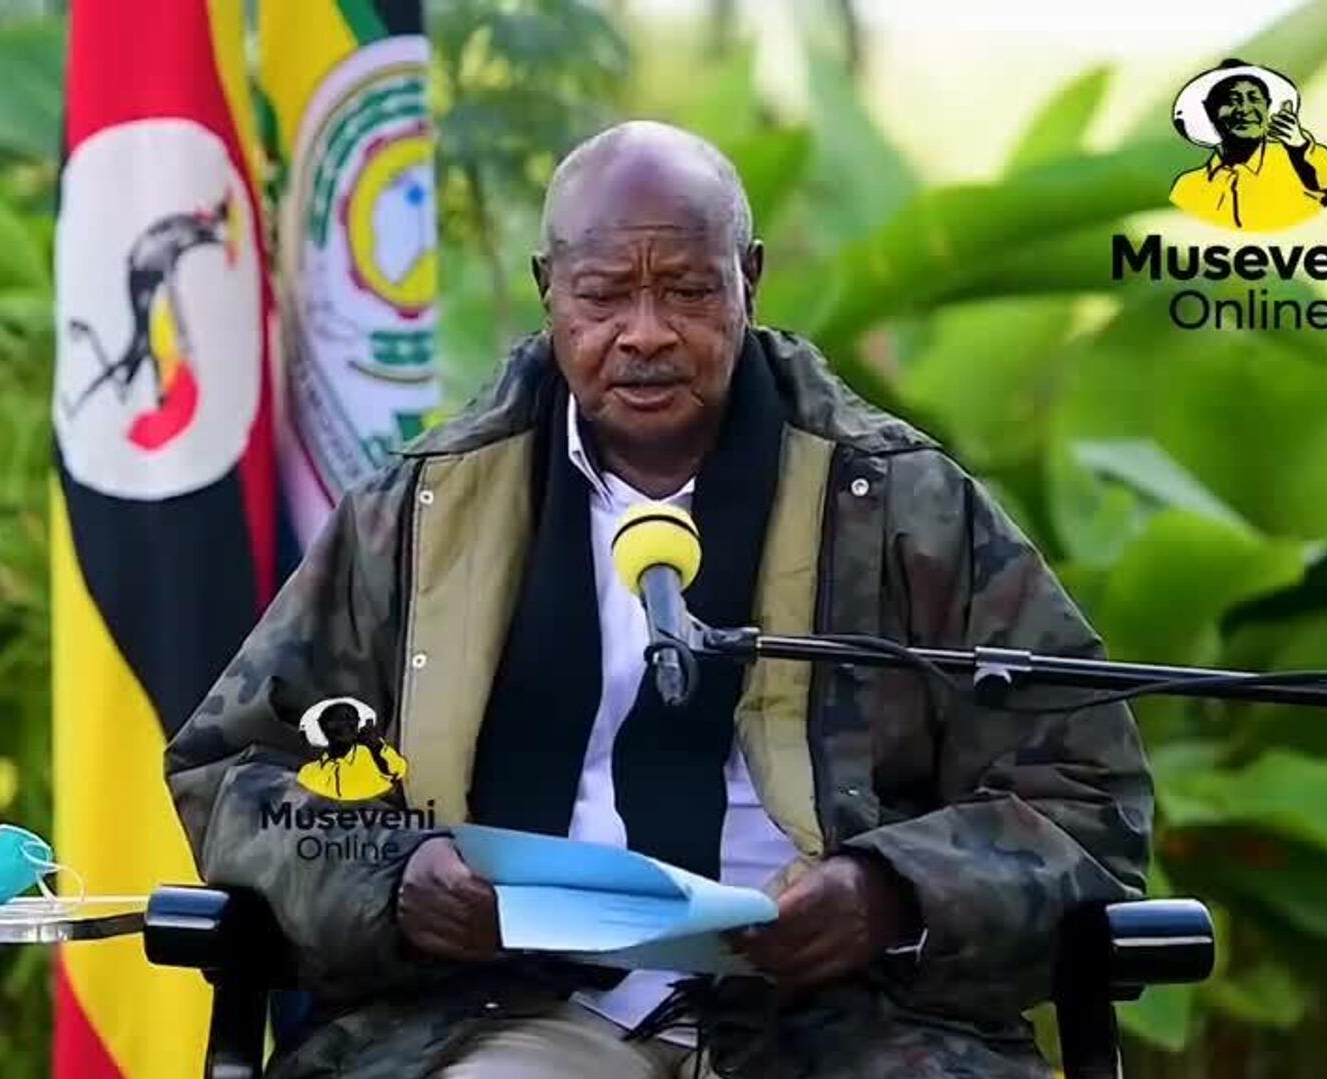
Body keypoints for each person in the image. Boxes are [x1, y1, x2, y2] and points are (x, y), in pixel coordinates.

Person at [167, 120, 1151, 1078]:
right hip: (504, 1010)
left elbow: (1084, 788)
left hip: (842, 1016)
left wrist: (889, 890)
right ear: (548, 290)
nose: (645, 333)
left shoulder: (897, 501)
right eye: (603, 295)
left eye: (688, 290)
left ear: (749, 281)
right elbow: (237, 765)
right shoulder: (422, 512)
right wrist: (393, 873)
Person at [1168, 60, 1327, 231]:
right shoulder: (1188, 188)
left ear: (1268, 107)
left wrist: (1299, 145)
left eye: (1254, 99)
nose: (1244, 109)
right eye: (1231, 100)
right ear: (1210, 111)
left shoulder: (1297, 163)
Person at [296, 698, 408, 802]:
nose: (344, 725)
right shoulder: (309, 772)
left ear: (358, 724)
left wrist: (376, 747)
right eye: (336, 720)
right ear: (322, 726)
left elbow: (398, 770)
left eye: (350, 719)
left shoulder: (374, 755)